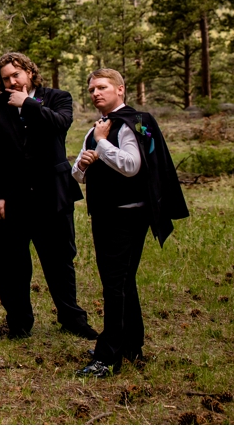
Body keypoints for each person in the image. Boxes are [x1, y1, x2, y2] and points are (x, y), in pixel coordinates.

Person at [72, 69, 187, 378]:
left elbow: (132, 166)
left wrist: (101, 144)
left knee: (114, 284)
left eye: (103, 87)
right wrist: (82, 163)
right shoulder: (99, 127)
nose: (96, 93)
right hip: (107, 214)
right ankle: (130, 345)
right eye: (92, 88)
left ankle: (107, 356)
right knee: (124, 281)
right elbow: (79, 173)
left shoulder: (131, 123)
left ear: (120, 90)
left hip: (124, 216)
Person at [0, 52, 98, 340]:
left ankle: (72, 317)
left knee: (60, 258)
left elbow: (60, 125)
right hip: (11, 197)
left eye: (17, 75)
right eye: (6, 78)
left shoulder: (58, 97)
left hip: (52, 192)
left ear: (30, 72)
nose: (12, 81)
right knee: (11, 263)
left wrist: (29, 104)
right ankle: (19, 322)